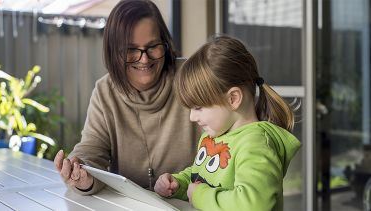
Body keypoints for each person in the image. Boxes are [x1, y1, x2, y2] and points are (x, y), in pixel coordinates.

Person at [53, 0, 200, 195]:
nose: (144, 59)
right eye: (131, 50)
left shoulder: (193, 77)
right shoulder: (105, 91)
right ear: (113, 52)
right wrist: (81, 172)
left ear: (165, 44)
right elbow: (91, 149)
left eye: (153, 46)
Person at [154, 35, 301, 210]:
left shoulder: (255, 145)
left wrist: (199, 195)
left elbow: (253, 205)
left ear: (233, 98)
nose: (192, 117)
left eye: (198, 107)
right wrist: (178, 184)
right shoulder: (216, 136)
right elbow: (201, 176)